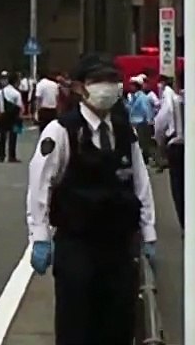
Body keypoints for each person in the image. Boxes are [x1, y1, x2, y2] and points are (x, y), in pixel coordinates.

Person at [26, 53, 157, 345]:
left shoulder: (124, 131)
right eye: (98, 80)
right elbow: (40, 185)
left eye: (112, 80)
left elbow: (141, 184)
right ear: (79, 87)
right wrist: (40, 236)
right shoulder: (62, 131)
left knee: (118, 326)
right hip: (78, 245)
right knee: (77, 328)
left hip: (120, 247)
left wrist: (148, 232)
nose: (107, 87)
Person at [154, 75, 185, 229]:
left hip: (178, 147)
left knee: (179, 187)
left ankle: (185, 223)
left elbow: (160, 123)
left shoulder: (173, 99)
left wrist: (161, 144)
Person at [126, 75, 156, 165]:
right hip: (134, 124)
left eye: (132, 85)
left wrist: (149, 122)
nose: (130, 87)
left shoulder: (142, 97)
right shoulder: (133, 97)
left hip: (141, 124)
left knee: (143, 144)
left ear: (136, 86)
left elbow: (147, 110)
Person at [0, 73, 22, 163]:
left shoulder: (1, 92)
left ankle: (1, 156)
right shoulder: (16, 93)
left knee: (2, 136)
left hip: (3, 115)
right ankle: (12, 156)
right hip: (14, 116)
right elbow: (19, 106)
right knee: (13, 136)